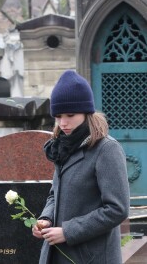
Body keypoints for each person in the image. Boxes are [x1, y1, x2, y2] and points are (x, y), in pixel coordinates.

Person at [32, 70, 130, 264]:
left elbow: (117, 209)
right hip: (56, 255)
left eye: (70, 114)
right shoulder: (63, 146)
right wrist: (46, 219)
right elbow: (55, 193)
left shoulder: (106, 149)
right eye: (58, 116)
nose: (63, 123)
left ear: (87, 113)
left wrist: (68, 232)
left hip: (90, 257)